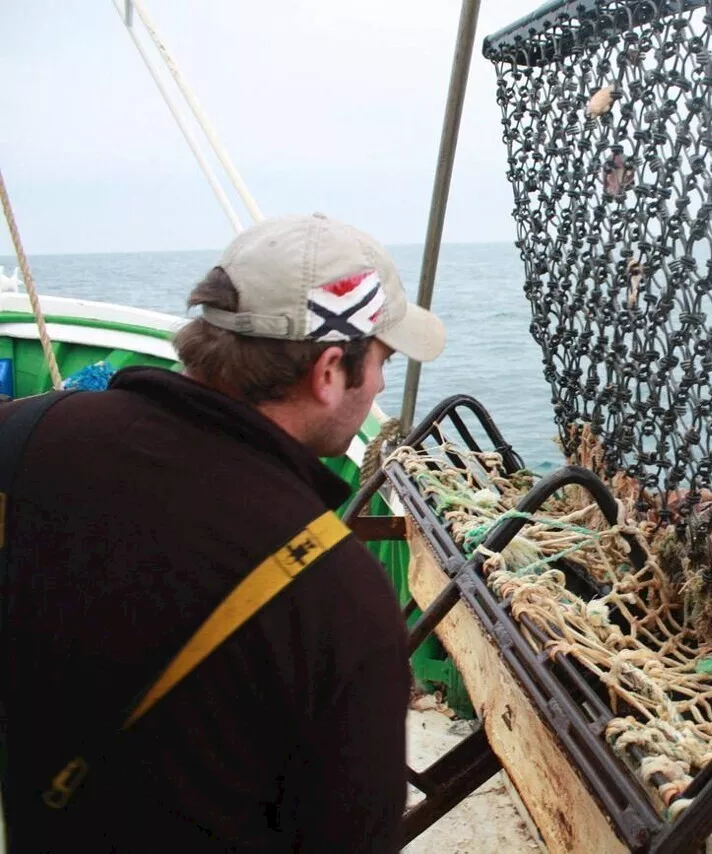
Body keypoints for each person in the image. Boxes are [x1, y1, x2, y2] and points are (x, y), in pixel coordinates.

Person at [0, 213, 446, 851]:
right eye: (381, 360)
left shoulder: (27, 436)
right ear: (327, 372)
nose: (378, 381)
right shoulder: (340, 598)